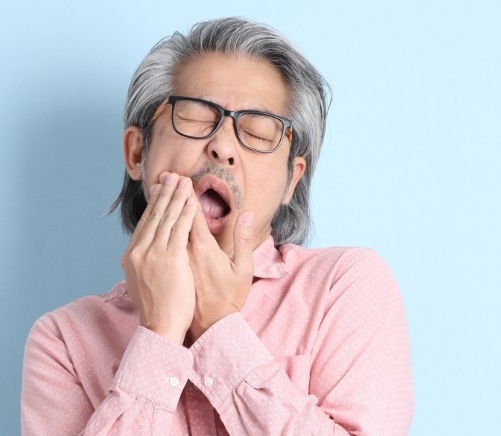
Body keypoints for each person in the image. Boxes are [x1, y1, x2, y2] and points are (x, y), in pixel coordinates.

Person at [21, 17, 413, 435]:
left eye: (258, 131)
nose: (223, 147)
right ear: (137, 153)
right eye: (194, 117)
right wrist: (159, 334)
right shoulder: (64, 340)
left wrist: (218, 328)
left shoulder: (344, 287)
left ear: (291, 180)